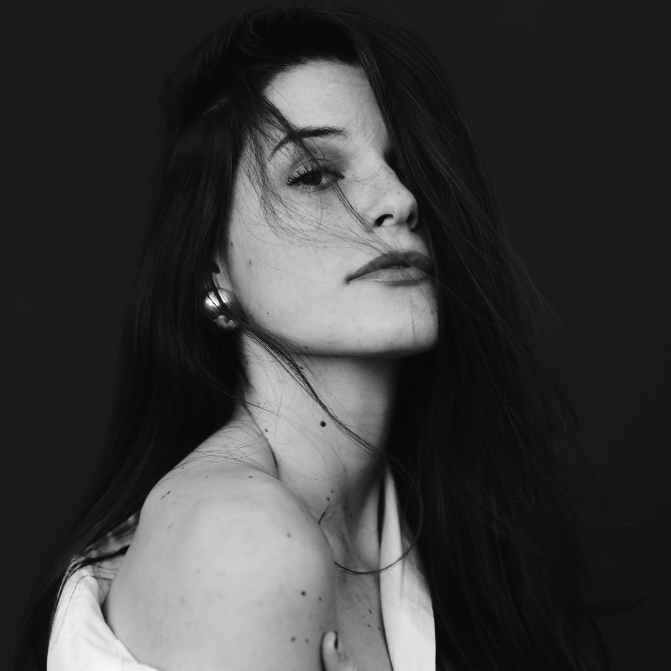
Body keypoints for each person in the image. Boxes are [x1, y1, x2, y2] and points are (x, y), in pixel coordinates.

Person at [15, 3, 609, 670]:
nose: (399, 200)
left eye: (405, 165)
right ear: (213, 268)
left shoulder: (433, 520)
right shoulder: (239, 540)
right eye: (315, 174)